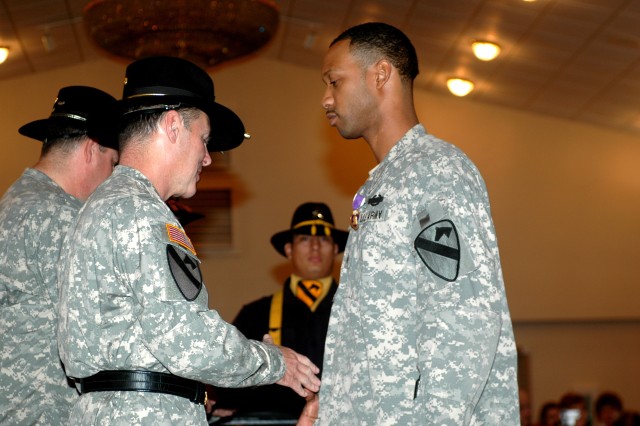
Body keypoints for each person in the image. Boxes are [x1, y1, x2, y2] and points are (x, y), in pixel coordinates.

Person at [56, 56, 320, 425]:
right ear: (173, 125)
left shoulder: (102, 205)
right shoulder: (143, 213)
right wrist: (277, 363)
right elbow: (187, 339)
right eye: (205, 140)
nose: (208, 159)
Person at [307, 21, 520, 424]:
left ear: (381, 74)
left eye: (334, 82)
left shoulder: (436, 171)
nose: (325, 98)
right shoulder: (381, 183)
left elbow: (464, 320)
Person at [0, 86, 119, 424]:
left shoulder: (16, 202)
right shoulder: (62, 215)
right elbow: (102, 329)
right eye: (113, 164)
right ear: (92, 150)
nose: (111, 179)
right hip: (48, 411)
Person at [212, 202, 348, 420]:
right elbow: (229, 372)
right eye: (304, 239)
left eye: (324, 239)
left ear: (335, 249)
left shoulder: (354, 310)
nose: (315, 247)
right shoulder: (256, 314)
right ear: (288, 250)